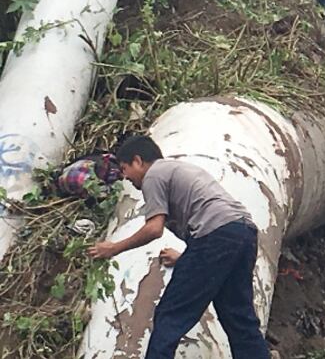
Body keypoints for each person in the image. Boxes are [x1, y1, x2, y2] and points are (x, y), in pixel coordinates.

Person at [87, 134, 269, 359]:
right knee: (238, 318)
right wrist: (186, 258)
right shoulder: (175, 170)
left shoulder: (153, 175)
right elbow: (212, 234)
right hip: (243, 232)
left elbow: (155, 229)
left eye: (125, 169)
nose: (125, 177)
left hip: (216, 237)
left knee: (170, 315)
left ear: (138, 161)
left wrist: (114, 248)